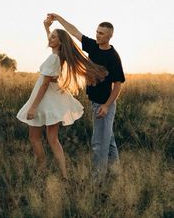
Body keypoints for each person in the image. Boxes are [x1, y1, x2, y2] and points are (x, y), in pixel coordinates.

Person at [17, 17, 108, 179]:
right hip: (54, 101)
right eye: (50, 36)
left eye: (53, 37)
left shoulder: (54, 58)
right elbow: (53, 42)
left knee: (34, 137)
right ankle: (64, 175)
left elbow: (44, 85)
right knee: (53, 139)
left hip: (43, 100)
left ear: (59, 42)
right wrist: (47, 27)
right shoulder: (59, 54)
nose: (49, 39)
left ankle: (41, 167)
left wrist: (32, 107)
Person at [47, 13, 125, 182]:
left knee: (99, 144)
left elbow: (118, 85)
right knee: (109, 142)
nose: (97, 35)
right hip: (96, 103)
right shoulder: (93, 46)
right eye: (97, 32)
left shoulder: (113, 56)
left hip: (104, 106)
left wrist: (106, 105)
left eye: (101, 33)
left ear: (110, 36)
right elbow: (74, 32)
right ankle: (115, 175)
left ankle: (96, 182)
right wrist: (58, 19)